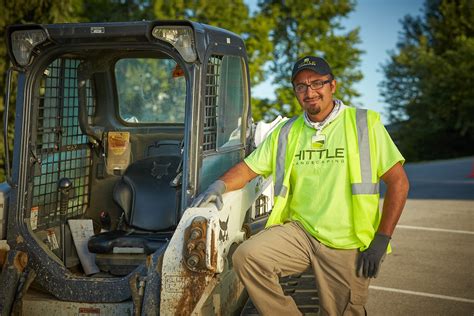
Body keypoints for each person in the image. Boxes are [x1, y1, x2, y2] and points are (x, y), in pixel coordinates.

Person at [192, 56, 409, 315]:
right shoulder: (287, 131)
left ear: (332, 85)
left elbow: (399, 183)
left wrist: (381, 241)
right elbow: (249, 168)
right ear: (295, 92)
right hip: (301, 233)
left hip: (346, 241)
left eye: (317, 83)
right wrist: (218, 186)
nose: (309, 91)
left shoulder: (364, 123)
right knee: (248, 257)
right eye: (301, 86)